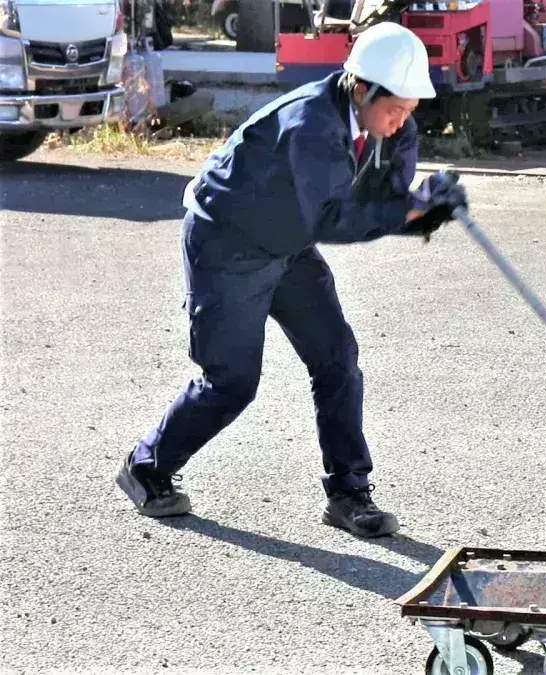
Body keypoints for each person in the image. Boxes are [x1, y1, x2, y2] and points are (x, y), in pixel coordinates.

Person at [116, 22, 467, 538]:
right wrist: (410, 212)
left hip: (287, 244)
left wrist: (426, 204)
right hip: (227, 243)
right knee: (232, 382)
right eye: (394, 109)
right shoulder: (309, 124)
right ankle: (146, 467)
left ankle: (349, 493)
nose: (400, 123)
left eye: (410, 111)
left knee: (337, 359)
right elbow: (331, 217)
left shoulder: (396, 128)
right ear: (362, 89)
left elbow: (386, 199)